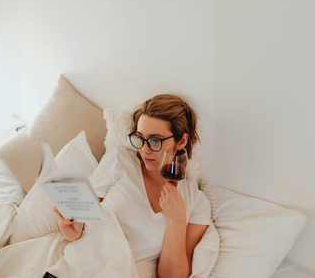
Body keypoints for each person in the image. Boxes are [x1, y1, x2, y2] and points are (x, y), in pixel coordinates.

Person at [53, 94, 211, 278]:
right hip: (79, 269)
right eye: (140, 138)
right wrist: (68, 228)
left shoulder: (197, 203)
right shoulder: (118, 161)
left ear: (181, 141)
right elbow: (78, 228)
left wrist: (177, 220)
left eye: (155, 141)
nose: (144, 149)